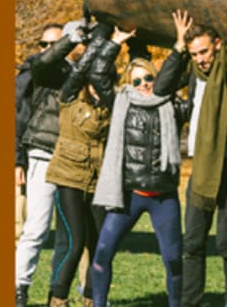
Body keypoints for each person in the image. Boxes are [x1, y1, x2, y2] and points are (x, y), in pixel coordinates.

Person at [154, 10, 227, 307]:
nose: (200, 59)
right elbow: (161, 87)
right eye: (194, 53)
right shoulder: (195, 74)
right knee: (193, 242)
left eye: (204, 52)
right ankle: (190, 303)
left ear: (218, 45)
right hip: (202, 166)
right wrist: (178, 47)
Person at [90, 57, 192, 307]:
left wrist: (182, 51)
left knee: (173, 261)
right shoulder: (122, 102)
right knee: (102, 253)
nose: (143, 84)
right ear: (129, 84)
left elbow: (191, 79)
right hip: (129, 195)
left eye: (148, 78)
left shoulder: (172, 105)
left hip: (163, 197)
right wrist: (113, 43)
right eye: (136, 81)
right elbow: (98, 76)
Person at [45, 25, 131, 307]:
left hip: (98, 181)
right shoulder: (70, 96)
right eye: (93, 81)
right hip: (68, 177)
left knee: (99, 244)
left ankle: (93, 299)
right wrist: (106, 38)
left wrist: (122, 45)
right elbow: (83, 69)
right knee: (75, 241)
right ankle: (57, 298)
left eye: (102, 81)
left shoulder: (112, 105)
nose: (96, 87)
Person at [17, 19, 87, 307]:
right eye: (44, 43)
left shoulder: (78, 71)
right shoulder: (42, 69)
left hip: (71, 159)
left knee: (67, 236)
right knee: (37, 227)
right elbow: (18, 118)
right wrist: (17, 159)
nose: (47, 48)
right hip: (43, 153)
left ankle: (56, 293)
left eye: (53, 43)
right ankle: (19, 288)